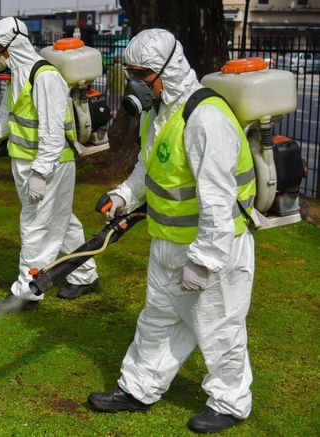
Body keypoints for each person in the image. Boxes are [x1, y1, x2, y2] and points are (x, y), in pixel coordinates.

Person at [87, 29, 256, 434]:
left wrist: (203, 262)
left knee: (219, 326)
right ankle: (139, 387)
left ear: (169, 69)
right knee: (159, 318)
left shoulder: (206, 119)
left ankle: (231, 401)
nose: (136, 84)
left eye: (142, 75)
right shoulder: (158, 111)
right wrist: (124, 195)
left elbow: (217, 201)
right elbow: (150, 167)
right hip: (168, 241)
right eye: (131, 74)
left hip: (214, 247)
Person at [0, 17, 99, 314]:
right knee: (64, 221)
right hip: (27, 164)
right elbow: (8, 121)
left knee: (34, 227)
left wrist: (39, 172)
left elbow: (51, 132)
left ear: (12, 46)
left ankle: (27, 291)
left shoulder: (44, 77)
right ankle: (85, 275)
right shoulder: (18, 76)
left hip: (50, 166)